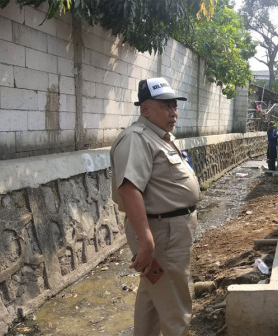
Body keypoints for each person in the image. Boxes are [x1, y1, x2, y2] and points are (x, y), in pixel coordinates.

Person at [110, 77, 201, 335]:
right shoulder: (136, 139)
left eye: (174, 105)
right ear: (145, 109)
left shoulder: (160, 137)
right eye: (165, 106)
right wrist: (147, 240)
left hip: (169, 230)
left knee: (153, 297)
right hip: (161, 234)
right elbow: (129, 188)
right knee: (175, 306)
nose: (173, 112)